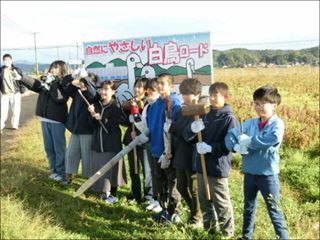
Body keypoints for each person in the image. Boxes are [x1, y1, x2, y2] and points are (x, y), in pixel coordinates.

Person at [225, 85, 288, 240]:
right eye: (256, 103)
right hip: (250, 173)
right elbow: (231, 134)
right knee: (248, 207)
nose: (259, 107)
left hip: (267, 175)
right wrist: (236, 146)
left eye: (263, 103)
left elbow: (272, 139)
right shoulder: (250, 123)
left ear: (274, 105)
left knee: (274, 209)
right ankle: (246, 237)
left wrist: (249, 141)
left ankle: (283, 237)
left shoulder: (277, 124)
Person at [188, 82, 236, 237]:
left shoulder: (229, 119)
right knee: (204, 200)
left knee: (221, 203)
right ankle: (209, 230)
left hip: (217, 166)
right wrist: (194, 131)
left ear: (225, 97)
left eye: (217, 95)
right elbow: (194, 137)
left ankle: (227, 233)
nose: (213, 98)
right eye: (211, 94)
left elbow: (229, 144)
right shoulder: (205, 115)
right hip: (202, 166)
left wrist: (210, 148)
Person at [20, 60, 70, 182]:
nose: (53, 69)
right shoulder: (46, 80)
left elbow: (60, 98)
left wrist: (52, 83)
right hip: (44, 118)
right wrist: (22, 77)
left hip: (57, 120)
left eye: (56, 68)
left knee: (59, 148)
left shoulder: (65, 83)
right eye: (52, 67)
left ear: (62, 70)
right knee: (49, 147)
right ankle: (53, 171)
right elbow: (35, 85)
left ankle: (62, 173)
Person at [146, 73, 181, 224]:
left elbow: (175, 128)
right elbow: (150, 126)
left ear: (171, 86)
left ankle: (174, 213)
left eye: (163, 83)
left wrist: (170, 151)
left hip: (168, 152)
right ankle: (164, 210)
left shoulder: (174, 103)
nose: (160, 86)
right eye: (158, 83)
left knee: (171, 182)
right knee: (159, 182)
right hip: (155, 149)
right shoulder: (154, 105)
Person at [169, 78, 203, 228]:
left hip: (193, 155)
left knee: (194, 188)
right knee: (181, 187)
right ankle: (195, 211)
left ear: (196, 94)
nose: (183, 97)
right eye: (182, 93)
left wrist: (184, 131)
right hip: (180, 153)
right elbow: (175, 129)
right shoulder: (182, 111)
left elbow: (189, 135)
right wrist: (183, 131)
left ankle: (196, 218)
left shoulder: (201, 111)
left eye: (187, 93)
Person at [88, 80, 127, 204]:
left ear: (113, 92)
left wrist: (103, 119)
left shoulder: (116, 106)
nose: (103, 92)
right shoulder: (97, 105)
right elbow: (92, 125)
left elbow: (117, 123)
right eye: (102, 89)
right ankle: (104, 191)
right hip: (98, 143)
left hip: (111, 143)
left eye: (106, 89)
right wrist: (92, 114)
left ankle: (113, 193)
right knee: (100, 167)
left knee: (112, 169)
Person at [61, 69, 99, 183]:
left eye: (85, 82)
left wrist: (86, 78)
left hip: (87, 130)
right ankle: (68, 177)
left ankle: (88, 181)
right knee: (71, 154)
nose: (82, 83)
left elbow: (93, 92)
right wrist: (72, 75)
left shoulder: (93, 95)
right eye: (82, 81)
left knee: (87, 157)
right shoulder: (77, 92)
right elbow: (65, 85)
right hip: (75, 129)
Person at [122, 78, 152, 203]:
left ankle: (149, 195)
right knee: (134, 168)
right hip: (131, 139)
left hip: (145, 141)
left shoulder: (148, 104)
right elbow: (123, 121)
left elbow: (148, 124)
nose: (136, 89)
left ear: (146, 90)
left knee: (147, 169)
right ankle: (136, 193)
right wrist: (126, 113)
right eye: (135, 86)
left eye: (139, 87)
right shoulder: (130, 102)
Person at [141, 78, 162, 212]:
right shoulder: (148, 106)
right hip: (149, 143)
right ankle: (155, 198)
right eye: (148, 90)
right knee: (153, 172)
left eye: (152, 90)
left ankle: (161, 201)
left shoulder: (162, 104)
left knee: (160, 174)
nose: (149, 93)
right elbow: (145, 125)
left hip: (160, 145)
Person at [0, 53, 26, 132]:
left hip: (15, 93)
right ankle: (1, 125)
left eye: (8, 60)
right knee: (3, 110)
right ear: (3, 61)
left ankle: (15, 124)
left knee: (16, 110)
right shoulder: (1, 70)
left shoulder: (16, 70)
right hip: (5, 93)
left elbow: (21, 80)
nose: (7, 61)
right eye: (5, 60)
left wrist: (22, 89)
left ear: (11, 60)